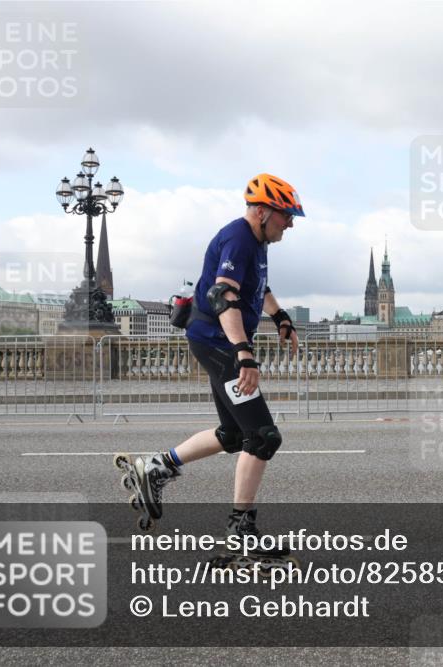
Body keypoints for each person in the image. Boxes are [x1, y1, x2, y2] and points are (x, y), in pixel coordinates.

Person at [129, 173, 303, 551]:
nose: (289, 223)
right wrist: (244, 355)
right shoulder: (239, 238)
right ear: (261, 212)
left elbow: (260, 286)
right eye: (285, 215)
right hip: (218, 342)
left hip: (214, 341)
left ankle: (157, 466)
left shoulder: (256, 242)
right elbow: (222, 294)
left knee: (235, 435)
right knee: (263, 437)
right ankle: (241, 532)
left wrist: (280, 317)